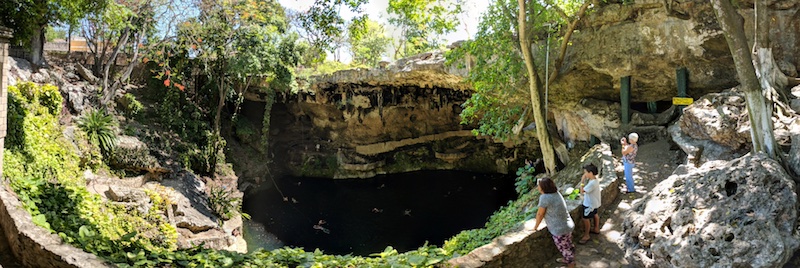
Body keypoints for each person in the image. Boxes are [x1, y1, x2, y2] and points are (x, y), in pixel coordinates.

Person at [533, 177, 576, 268]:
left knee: (564, 248)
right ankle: (567, 259)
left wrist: (535, 227)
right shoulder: (557, 193)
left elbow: (540, 214)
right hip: (568, 224)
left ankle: (571, 264)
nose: (538, 188)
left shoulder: (544, 197)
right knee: (568, 244)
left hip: (559, 229)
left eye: (539, 186)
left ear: (543, 187)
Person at [579, 163, 601, 244]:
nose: (584, 174)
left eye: (585, 172)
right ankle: (596, 228)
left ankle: (586, 235)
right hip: (594, 203)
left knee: (585, 218)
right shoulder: (594, 180)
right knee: (595, 214)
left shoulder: (592, 183)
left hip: (589, 204)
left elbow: (582, 191)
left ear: (590, 173)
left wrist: (582, 181)